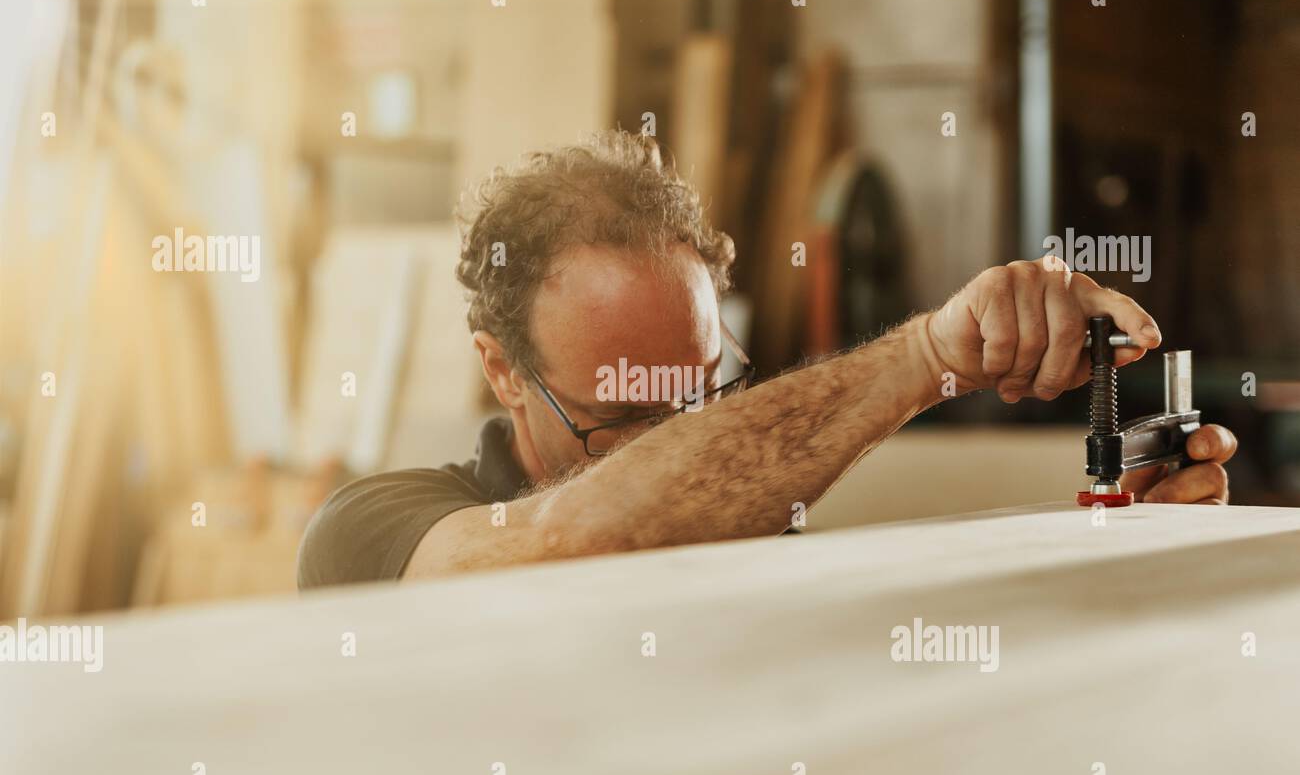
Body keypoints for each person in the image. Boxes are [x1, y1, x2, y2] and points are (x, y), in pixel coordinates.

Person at [297, 130, 1235, 589]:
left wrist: (1138, 547)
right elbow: (563, 546)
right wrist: (925, 354)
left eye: (701, 398)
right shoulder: (374, 532)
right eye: (623, 417)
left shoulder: (752, 534)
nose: (676, 445)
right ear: (501, 369)